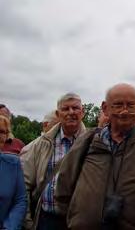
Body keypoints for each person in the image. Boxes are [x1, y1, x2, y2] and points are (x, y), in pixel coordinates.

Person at [55, 83, 135, 230]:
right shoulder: (87, 140)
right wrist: (74, 219)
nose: (124, 111)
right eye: (118, 105)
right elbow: (64, 185)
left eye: (131, 105)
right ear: (105, 108)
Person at [20, 93, 86, 230]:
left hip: (81, 221)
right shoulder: (39, 145)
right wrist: (27, 221)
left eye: (75, 108)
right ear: (58, 113)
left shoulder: (93, 143)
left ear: (83, 112)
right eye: (65, 109)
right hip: (47, 219)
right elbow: (23, 185)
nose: (71, 112)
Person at [0, 115, 27, 230]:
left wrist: (10, 227)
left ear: (7, 136)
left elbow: (20, 200)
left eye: (1, 131)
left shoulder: (13, 163)